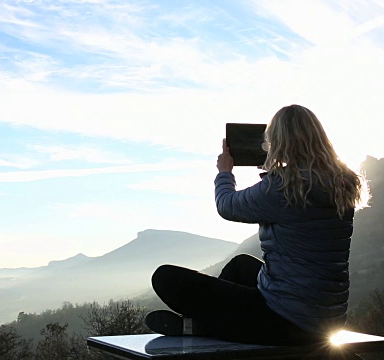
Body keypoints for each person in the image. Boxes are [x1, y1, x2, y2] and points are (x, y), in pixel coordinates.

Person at [145, 104, 368, 345]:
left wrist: (224, 173)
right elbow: (296, 209)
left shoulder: (282, 187)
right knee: (241, 265)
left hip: (288, 320)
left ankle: (201, 324)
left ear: (280, 141)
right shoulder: (341, 182)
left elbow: (227, 205)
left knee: (165, 278)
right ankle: (207, 321)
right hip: (327, 317)